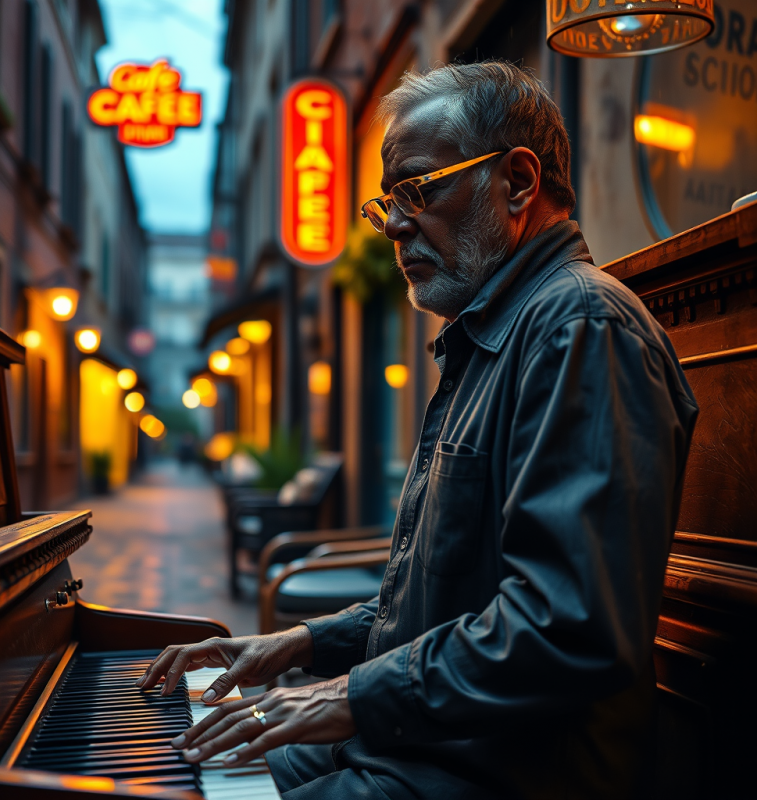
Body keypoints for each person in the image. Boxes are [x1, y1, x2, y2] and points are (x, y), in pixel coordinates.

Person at [137, 61, 698, 799]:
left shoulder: (580, 326)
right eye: (387, 203)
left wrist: (345, 696)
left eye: (418, 190)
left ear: (518, 184)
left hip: (497, 772)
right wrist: (295, 644)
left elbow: (568, 628)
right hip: (415, 746)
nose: (396, 225)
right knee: (176, 766)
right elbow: (441, 601)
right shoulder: (490, 337)